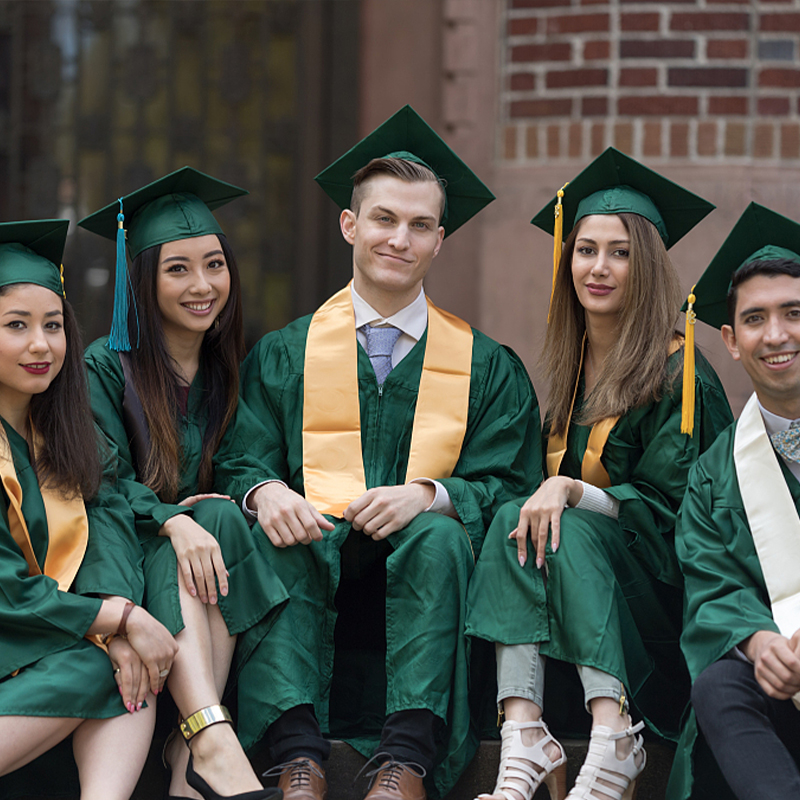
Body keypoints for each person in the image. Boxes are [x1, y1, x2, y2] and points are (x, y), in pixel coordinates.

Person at [237, 105, 540, 800]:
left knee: (435, 529)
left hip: (429, 595)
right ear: (351, 225)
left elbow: (511, 481)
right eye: (383, 219)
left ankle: (406, 758)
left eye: (420, 225)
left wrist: (431, 495)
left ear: (440, 241)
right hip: (313, 582)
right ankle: (296, 756)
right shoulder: (286, 355)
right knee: (286, 524)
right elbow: (240, 460)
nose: (398, 239)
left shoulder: (486, 367)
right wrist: (265, 492)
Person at [465, 148, 733, 800]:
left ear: (648, 267)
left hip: (654, 613)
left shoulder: (680, 375)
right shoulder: (569, 368)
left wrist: (574, 490)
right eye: (585, 250)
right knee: (513, 515)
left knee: (567, 522)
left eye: (620, 252)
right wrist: (554, 495)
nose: (599, 267)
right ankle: (523, 730)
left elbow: (682, 518)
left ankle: (617, 737)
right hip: (566, 613)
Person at [77, 169, 288, 800]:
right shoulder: (101, 368)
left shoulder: (233, 369)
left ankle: (196, 748)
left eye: (215, 265)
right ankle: (207, 743)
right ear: (141, 279)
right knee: (197, 530)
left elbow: (242, 468)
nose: (203, 286)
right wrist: (170, 518)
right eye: (177, 269)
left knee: (222, 519)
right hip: (120, 559)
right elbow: (99, 485)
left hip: (210, 561)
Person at [0, 219, 178, 799]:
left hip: (41, 644)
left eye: (53, 326)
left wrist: (174, 517)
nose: (40, 345)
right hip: (15, 639)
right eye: (16, 326)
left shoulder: (61, 435)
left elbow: (111, 508)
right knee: (110, 662)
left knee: (126, 666)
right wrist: (121, 621)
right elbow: (8, 591)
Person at [666, 203, 800, 800]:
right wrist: (763, 644)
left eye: (794, 313)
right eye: (756, 319)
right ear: (731, 340)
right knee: (721, 683)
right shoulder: (714, 476)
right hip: (783, 703)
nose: (777, 335)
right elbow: (712, 589)